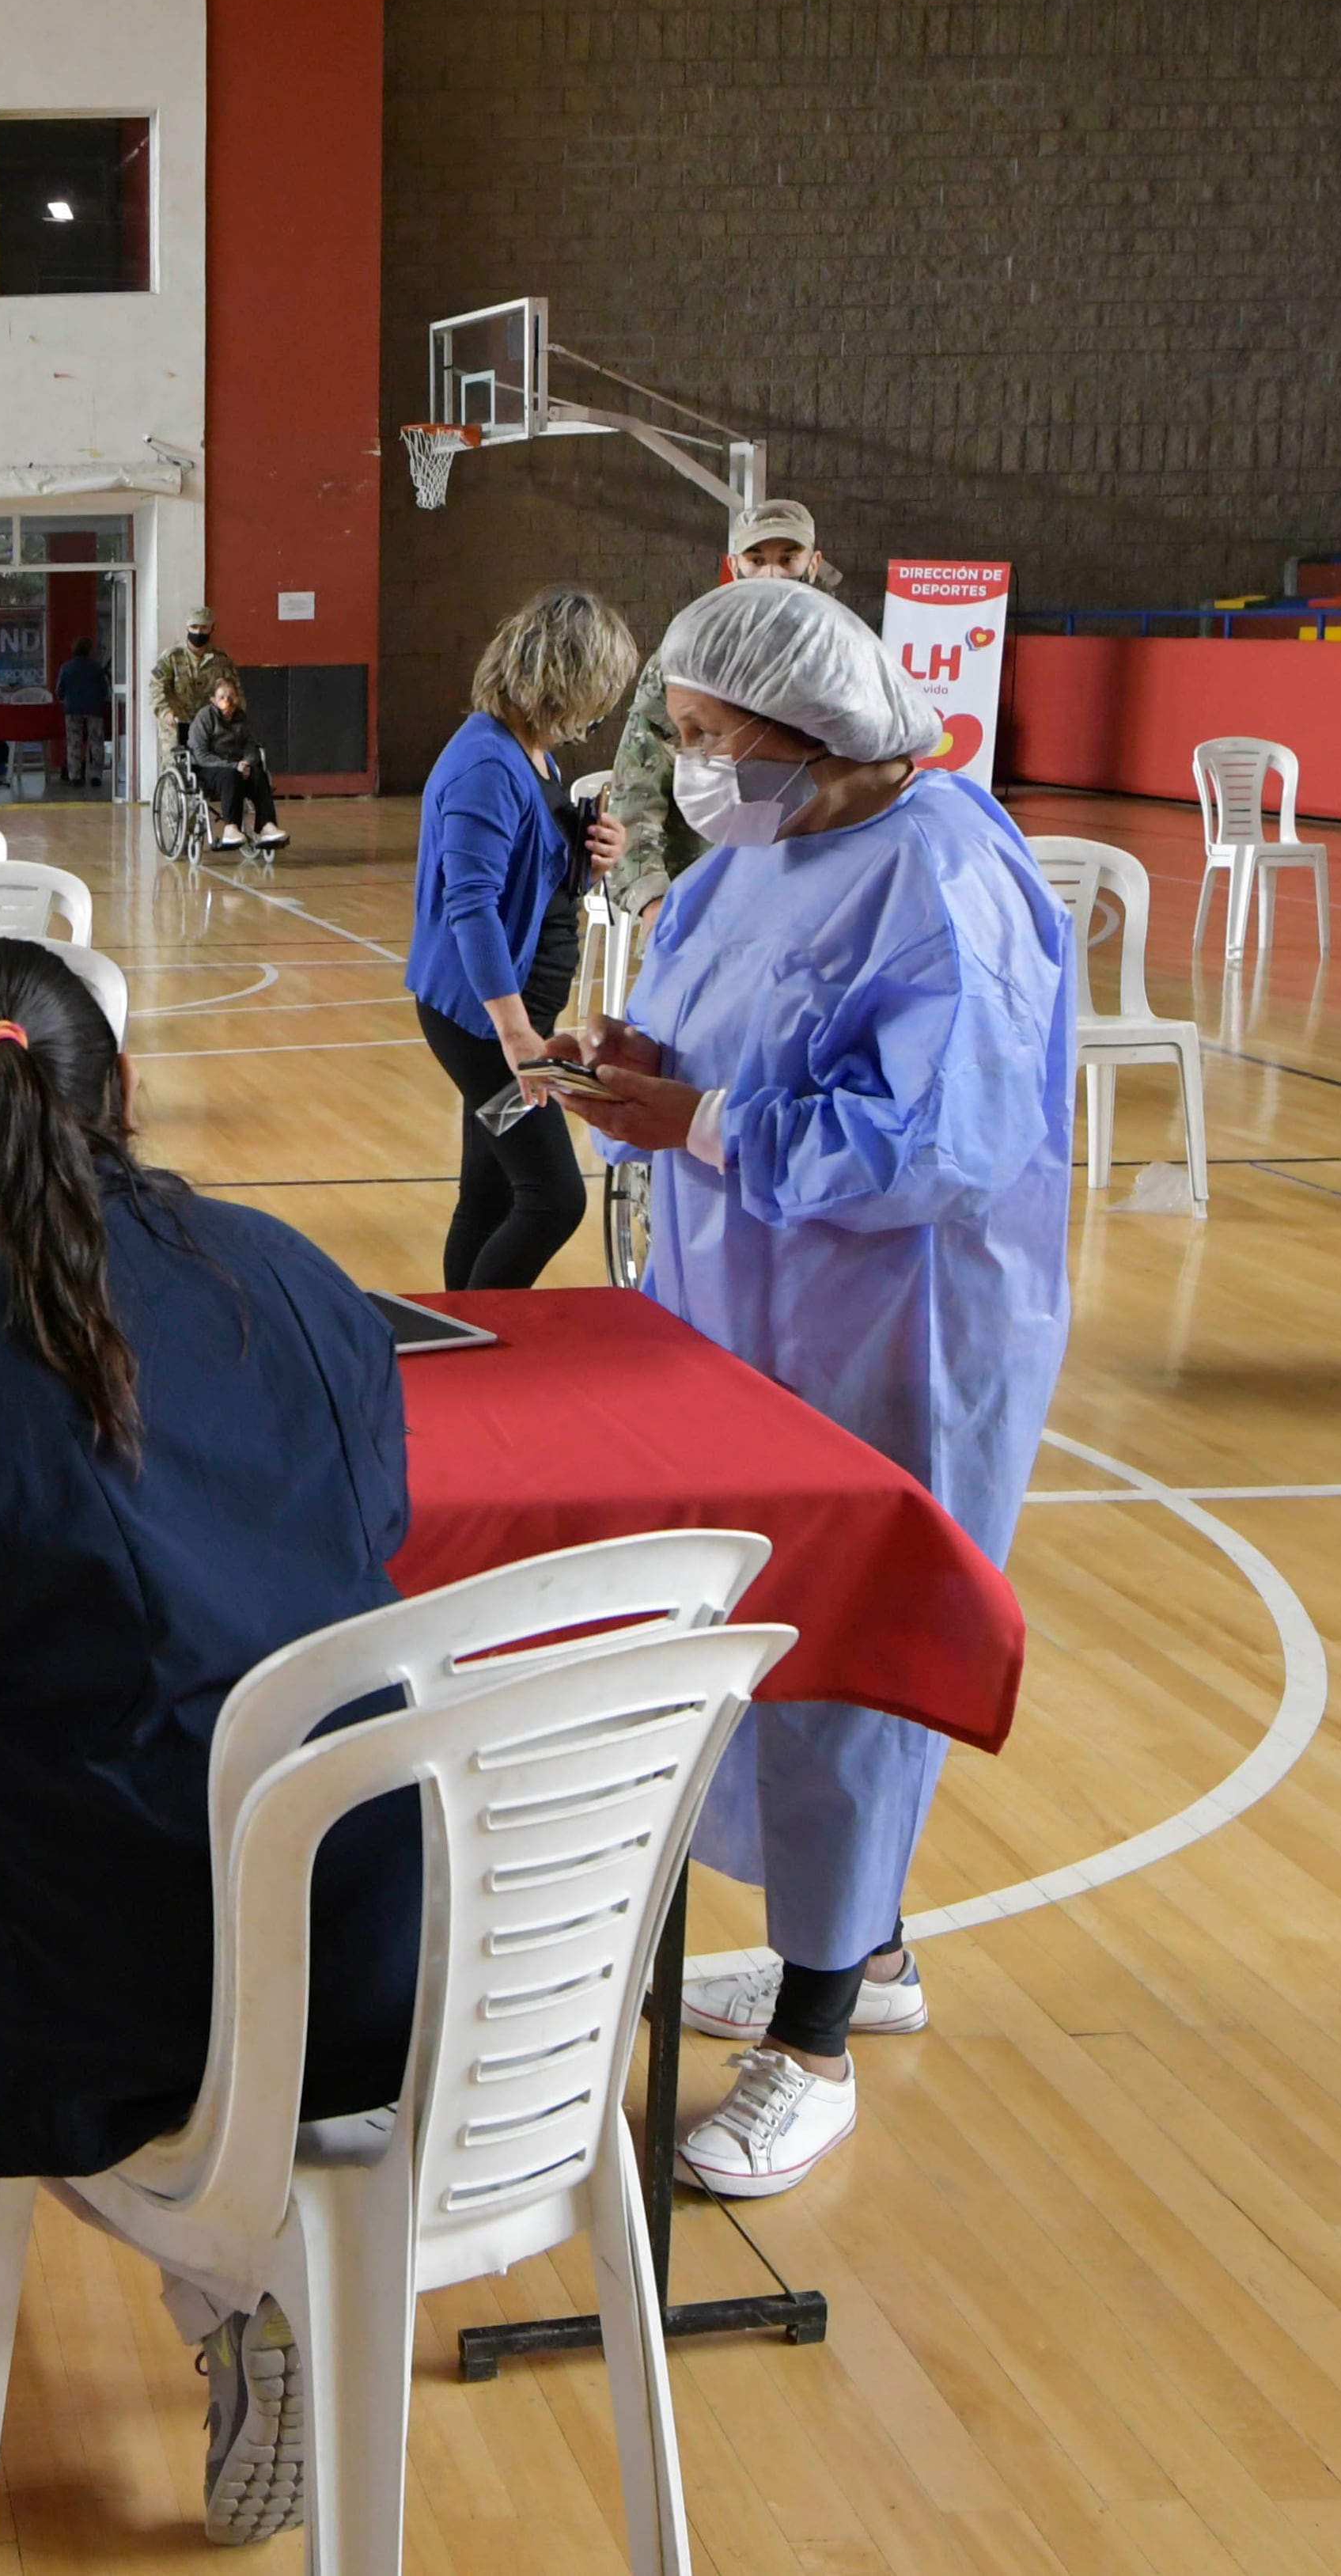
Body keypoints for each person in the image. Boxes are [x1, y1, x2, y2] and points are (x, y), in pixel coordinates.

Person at [0, 936, 411, 2548]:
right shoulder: (298, 1277)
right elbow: (372, 1519)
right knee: (189, 1869)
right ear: (130, 1094)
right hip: (382, 1939)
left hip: (113, 1992)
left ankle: (235, 2273)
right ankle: (265, 2244)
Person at [536, 575, 1074, 2199]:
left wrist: (697, 1124)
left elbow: (933, 1147)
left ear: (807, 728)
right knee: (745, 1640)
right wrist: (622, 1064)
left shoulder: (944, 881)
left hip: (886, 1330)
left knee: (846, 1652)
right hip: (736, 1318)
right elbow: (698, 1029)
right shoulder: (749, 860)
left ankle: (818, 2042)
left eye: (709, 736)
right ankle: (862, 1949)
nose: (692, 769)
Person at [407, 588, 641, 1289]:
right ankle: (485, 1352)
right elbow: (471, 903)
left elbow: (528, 880)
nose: (601, 710)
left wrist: (592, 856)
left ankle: (464, 1344)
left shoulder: (531, 755)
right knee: (552, 1197)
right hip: (487, 1020)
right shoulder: (487, 764)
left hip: (514, 1010)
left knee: (490, 1193)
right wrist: (515, 1036)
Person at [598, 499, 828, 897]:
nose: (771, 573)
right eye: (756, 560)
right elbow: (638, 784)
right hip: (702, 886)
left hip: (807, 889)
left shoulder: (838, 660)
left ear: (814, 562)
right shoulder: (689, 657)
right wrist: (650, 898)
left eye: (788, 559)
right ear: (734, 564)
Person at [181, 674, 283, 852]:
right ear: (213, 700)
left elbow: (251, 745)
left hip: (237, 766)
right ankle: (231, 828)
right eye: (222, 697)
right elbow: (201, 755)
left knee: (258, 774)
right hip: (208, 768)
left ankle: (267, 825)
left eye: (231, 696)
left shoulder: (241, 718)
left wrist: (247, 762)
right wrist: (233, 767)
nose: (227, 701)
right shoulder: (205, 717)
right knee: (230, 776)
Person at [148, 605, 240, 757]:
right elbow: (156, 689)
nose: (198, 632)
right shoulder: (172, 658)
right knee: (178, 764)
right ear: (187, 627)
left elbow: (235, 691)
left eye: (204, 628)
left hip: (211, 724)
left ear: (212, 629)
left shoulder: (221, 659)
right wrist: (166, 713)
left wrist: (231, 713)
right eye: (194, 627)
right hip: (177, 724)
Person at [54, 638, 111, 789]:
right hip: (94, 709)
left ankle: (75, 776)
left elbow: (59, 691)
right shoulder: (96, 668)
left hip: (73, 709)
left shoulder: (66, 668)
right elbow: (105, 690)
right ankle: (96, 776)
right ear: (89, 650)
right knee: (96, 742)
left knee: (74, 743)